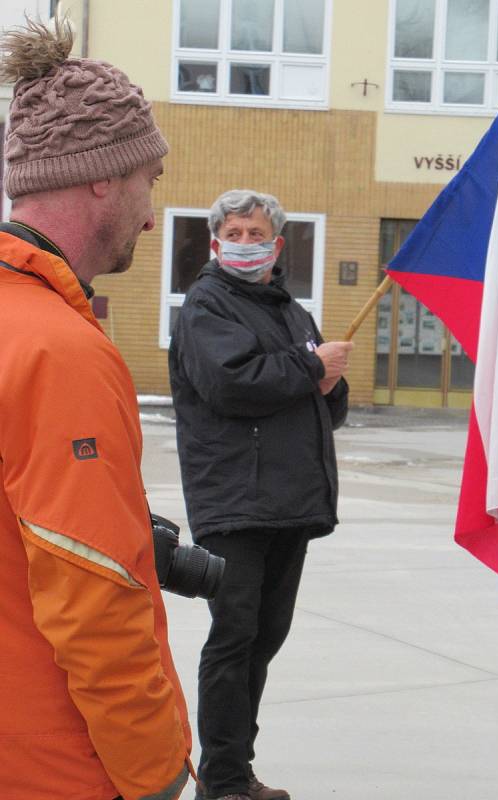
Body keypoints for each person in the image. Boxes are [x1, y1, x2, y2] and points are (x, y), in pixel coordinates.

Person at [0, 18, 192, 800]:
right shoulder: (60, 352)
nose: (152, 216)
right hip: (56, 765)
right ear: (100, 177)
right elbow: (94, 596)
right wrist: (153, 769)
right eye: (149, 181)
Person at [169, 189, 352, 800]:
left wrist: (330, 381)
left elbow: (323, 402)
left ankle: (238, 770)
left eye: (258, 233)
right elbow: (231, 383)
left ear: (278, 243)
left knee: (265, 637)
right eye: (235, 233)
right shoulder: (206, 306)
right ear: (216, 242)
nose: (247, 243)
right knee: (235, 636)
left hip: (290, 501)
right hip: (234, 500)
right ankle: (221, 779)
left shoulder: (291, 312)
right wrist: (309, 369)